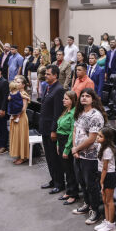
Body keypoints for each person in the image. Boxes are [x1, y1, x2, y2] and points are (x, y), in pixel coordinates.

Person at [71, 88, 106, 225]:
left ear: (93, 99)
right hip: (78, 154)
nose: (84, 98)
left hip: (90, 156)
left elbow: (92, 138)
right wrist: (75, 149)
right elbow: (75, 131)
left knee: (91, 185)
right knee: (82, 182)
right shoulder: (79, 112)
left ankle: (96, 211)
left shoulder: (96, 116)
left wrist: (77, 148)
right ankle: (87, 204)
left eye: (87, 96)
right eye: (82, 96)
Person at [39, 64, 66, 194]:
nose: (46, 76)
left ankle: (59, 183)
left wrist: (54, 130)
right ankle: (53, 179)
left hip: (51, 129)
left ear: (55, 75)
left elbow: (57, 112)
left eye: (48, 74)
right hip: (45, 127)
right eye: (45, 74)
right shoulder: (48, 87)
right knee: (49, 157)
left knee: (55, 157)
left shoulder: (59, 89)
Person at [56, 91, 79, 205]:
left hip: (67, 142)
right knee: (65, 169)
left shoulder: (74, 113)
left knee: (70, 170)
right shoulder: (66, 111)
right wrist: (57, 145)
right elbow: (59, 127)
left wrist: (66, 148)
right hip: (61, 140)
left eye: (66, 99)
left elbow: (71, 133)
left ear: (72, 101)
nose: (63, 100)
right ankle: (68, 190)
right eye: (64, 98)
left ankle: (74, 194)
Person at [95, 128, 116, 231]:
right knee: (104, 200)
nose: (97, 137)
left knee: (109, 200)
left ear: (106, 139)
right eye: (98, 135)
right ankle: (107, 221)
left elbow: (105, 168)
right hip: (102, 174)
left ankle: (112, 225)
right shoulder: (100, 146)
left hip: (108, 175)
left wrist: (101, 181)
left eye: (100, 136)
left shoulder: (107, 149)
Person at [9, 75, 30, 165]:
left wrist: (16, 115)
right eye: (15, 81)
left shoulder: (24, 94)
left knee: (21, 137)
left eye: (18, 82)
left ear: (23, 85)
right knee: (16, 136)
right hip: (15, 116)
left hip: (21, 117)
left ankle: (23, 157)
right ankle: (18, 155)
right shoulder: (14, 92)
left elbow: (23, 108)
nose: (16, 83)